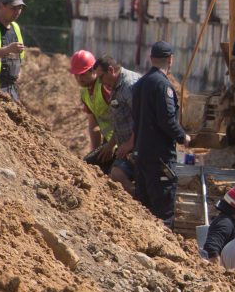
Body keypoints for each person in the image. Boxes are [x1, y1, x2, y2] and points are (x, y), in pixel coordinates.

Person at [131, 40, 190, 225]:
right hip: (160, 158)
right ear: (170, 59)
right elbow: (167, 120)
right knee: (162, 212)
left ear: (151, 58)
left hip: (141, 155)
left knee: (144, 210)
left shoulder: (140, 84)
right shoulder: (163, 86)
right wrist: (183, 137)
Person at [92, 55, 140, 193]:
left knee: (119, 176)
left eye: (101, 77)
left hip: (140, 147)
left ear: (111, 70)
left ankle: (142, 204)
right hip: (127, 148)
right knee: (116, 174)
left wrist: (130, 143)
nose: (100, 82)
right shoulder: (115, 85)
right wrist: (111, 144)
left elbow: (142, 119)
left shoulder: (129, 86)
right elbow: (121, 120)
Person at [70, 50, 115, 174]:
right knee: (89, 166)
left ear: (93, 71)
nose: (79, 78)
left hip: (122, 141)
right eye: (76, 75)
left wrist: (111, 146)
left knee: (116, 174)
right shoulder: (85, 92)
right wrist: (95, 152)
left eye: (83, 74)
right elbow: (93, 125)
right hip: (109, 142)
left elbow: (124, 118)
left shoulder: (104, 87)